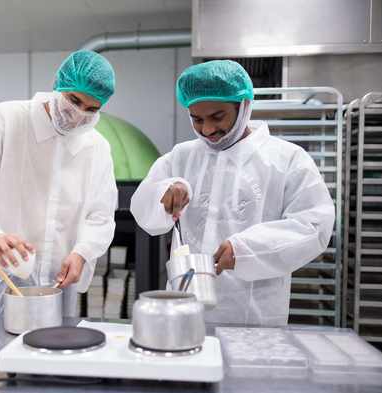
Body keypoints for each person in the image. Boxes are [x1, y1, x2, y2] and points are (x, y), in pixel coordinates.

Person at [130, 60, 335, 325]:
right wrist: (164, 195)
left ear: (244, 107)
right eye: (197, 119)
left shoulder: (286, 159)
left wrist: (245, 250)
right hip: (186, 312)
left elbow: (314, 225)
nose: (207, 130)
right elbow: (143, 211)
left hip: (255, 318)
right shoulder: (181, 157)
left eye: (217, 117)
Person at [0, 50, 117, 316]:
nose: (78, 115)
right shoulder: (7, 119)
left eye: (91, 109)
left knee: (47, 349)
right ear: (57, 86)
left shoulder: (96, 147)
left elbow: (101, 215)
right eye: (73, 100)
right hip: (0, 272)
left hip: (56, 286)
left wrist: (82, 252)